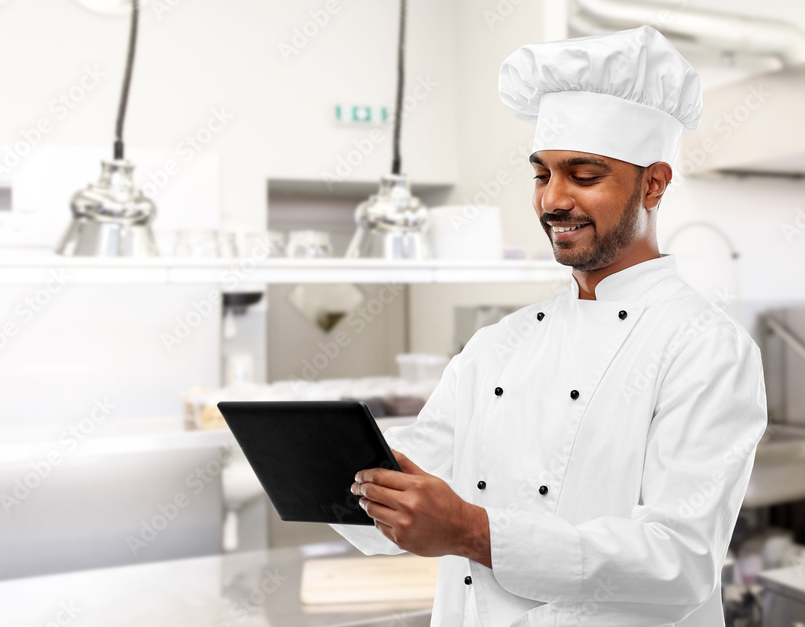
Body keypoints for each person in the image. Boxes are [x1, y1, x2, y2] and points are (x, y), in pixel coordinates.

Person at [329, 25, 768, 627]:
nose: (552, 200)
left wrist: (472, 531)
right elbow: (412, 483)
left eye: (584, 176)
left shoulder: (705, 348)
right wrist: (330, 477)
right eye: (541, 175)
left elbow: (680, 561)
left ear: (655, 183)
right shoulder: (499, 344)